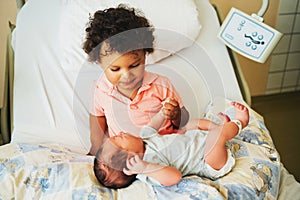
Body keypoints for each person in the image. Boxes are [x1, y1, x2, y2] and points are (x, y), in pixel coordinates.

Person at [82, 5, 189, 155]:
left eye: (134, 65)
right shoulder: (101, 89)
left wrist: (176, 114)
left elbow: (183, 121)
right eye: (115, 69)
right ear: (99, 62)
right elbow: (97, 117)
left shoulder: (161, 85)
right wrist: (95, 146)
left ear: (145, 55)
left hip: (164, 150)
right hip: (125, 153)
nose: (126, 76)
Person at [93, 101, 250, 189]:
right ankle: (239, 123)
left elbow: (153, 125)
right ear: (130, 158)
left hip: (200, 140)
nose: (119, 134)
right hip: (210, 162)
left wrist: (163, 113)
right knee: (216, 138)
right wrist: (146, 167)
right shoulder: (150, 168)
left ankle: (219, 127)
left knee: (189, 125)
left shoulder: (145, 137)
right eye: (119, 140)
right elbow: (175, 177)